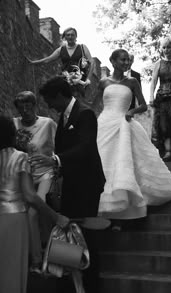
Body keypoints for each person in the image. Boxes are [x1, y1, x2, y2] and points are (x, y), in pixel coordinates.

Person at [94, 48, 171, 223]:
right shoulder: (103, 82)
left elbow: (144, 106)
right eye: (122, 60)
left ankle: (126, 207)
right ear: (113, 61)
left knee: (124, 163)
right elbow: (94, 105)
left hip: (124, 123)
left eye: (127, 60)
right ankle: (104, 207)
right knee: (103, 162)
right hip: (105, 124)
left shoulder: (131, 82)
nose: (125, 63)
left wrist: (132, 110)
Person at [29, 75, 106, 293]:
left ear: (61, 96)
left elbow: (85, 147)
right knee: (67, 230)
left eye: (50, 101)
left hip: (87, 186)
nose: (49, 106)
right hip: (70, 185)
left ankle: (91, 285)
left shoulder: (85, 113)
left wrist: (54, 160)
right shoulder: (64, 116)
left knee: (86, 236)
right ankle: (69, 282)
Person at [0, 115, 68, 293]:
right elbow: (30, 196)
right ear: (11, 134)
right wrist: (55, 217)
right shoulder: (19, 157)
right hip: (14, 219)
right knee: (13, 266)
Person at [13, 90, 57, 272]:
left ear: (35, 105)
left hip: (45, 174)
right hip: (24, 175)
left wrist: (56, 164)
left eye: (29, 105)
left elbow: (58, 147)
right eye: (21, 106)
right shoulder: (13, 124)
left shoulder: (47, 123)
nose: (25, 109)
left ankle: (36, 262)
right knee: (23, 215)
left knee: (33, 212)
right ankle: (40, 249)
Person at [28, 27, 93, 100]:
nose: (70, 37)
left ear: (76, 36)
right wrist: (33, 62)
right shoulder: (61, 49)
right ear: (65, 37)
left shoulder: (82, 47)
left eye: (72, 35)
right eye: (68, 35)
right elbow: (48, 59)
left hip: (80, 79)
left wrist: (88, 79)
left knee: (79, 100)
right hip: (66, 79)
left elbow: (91, 63)